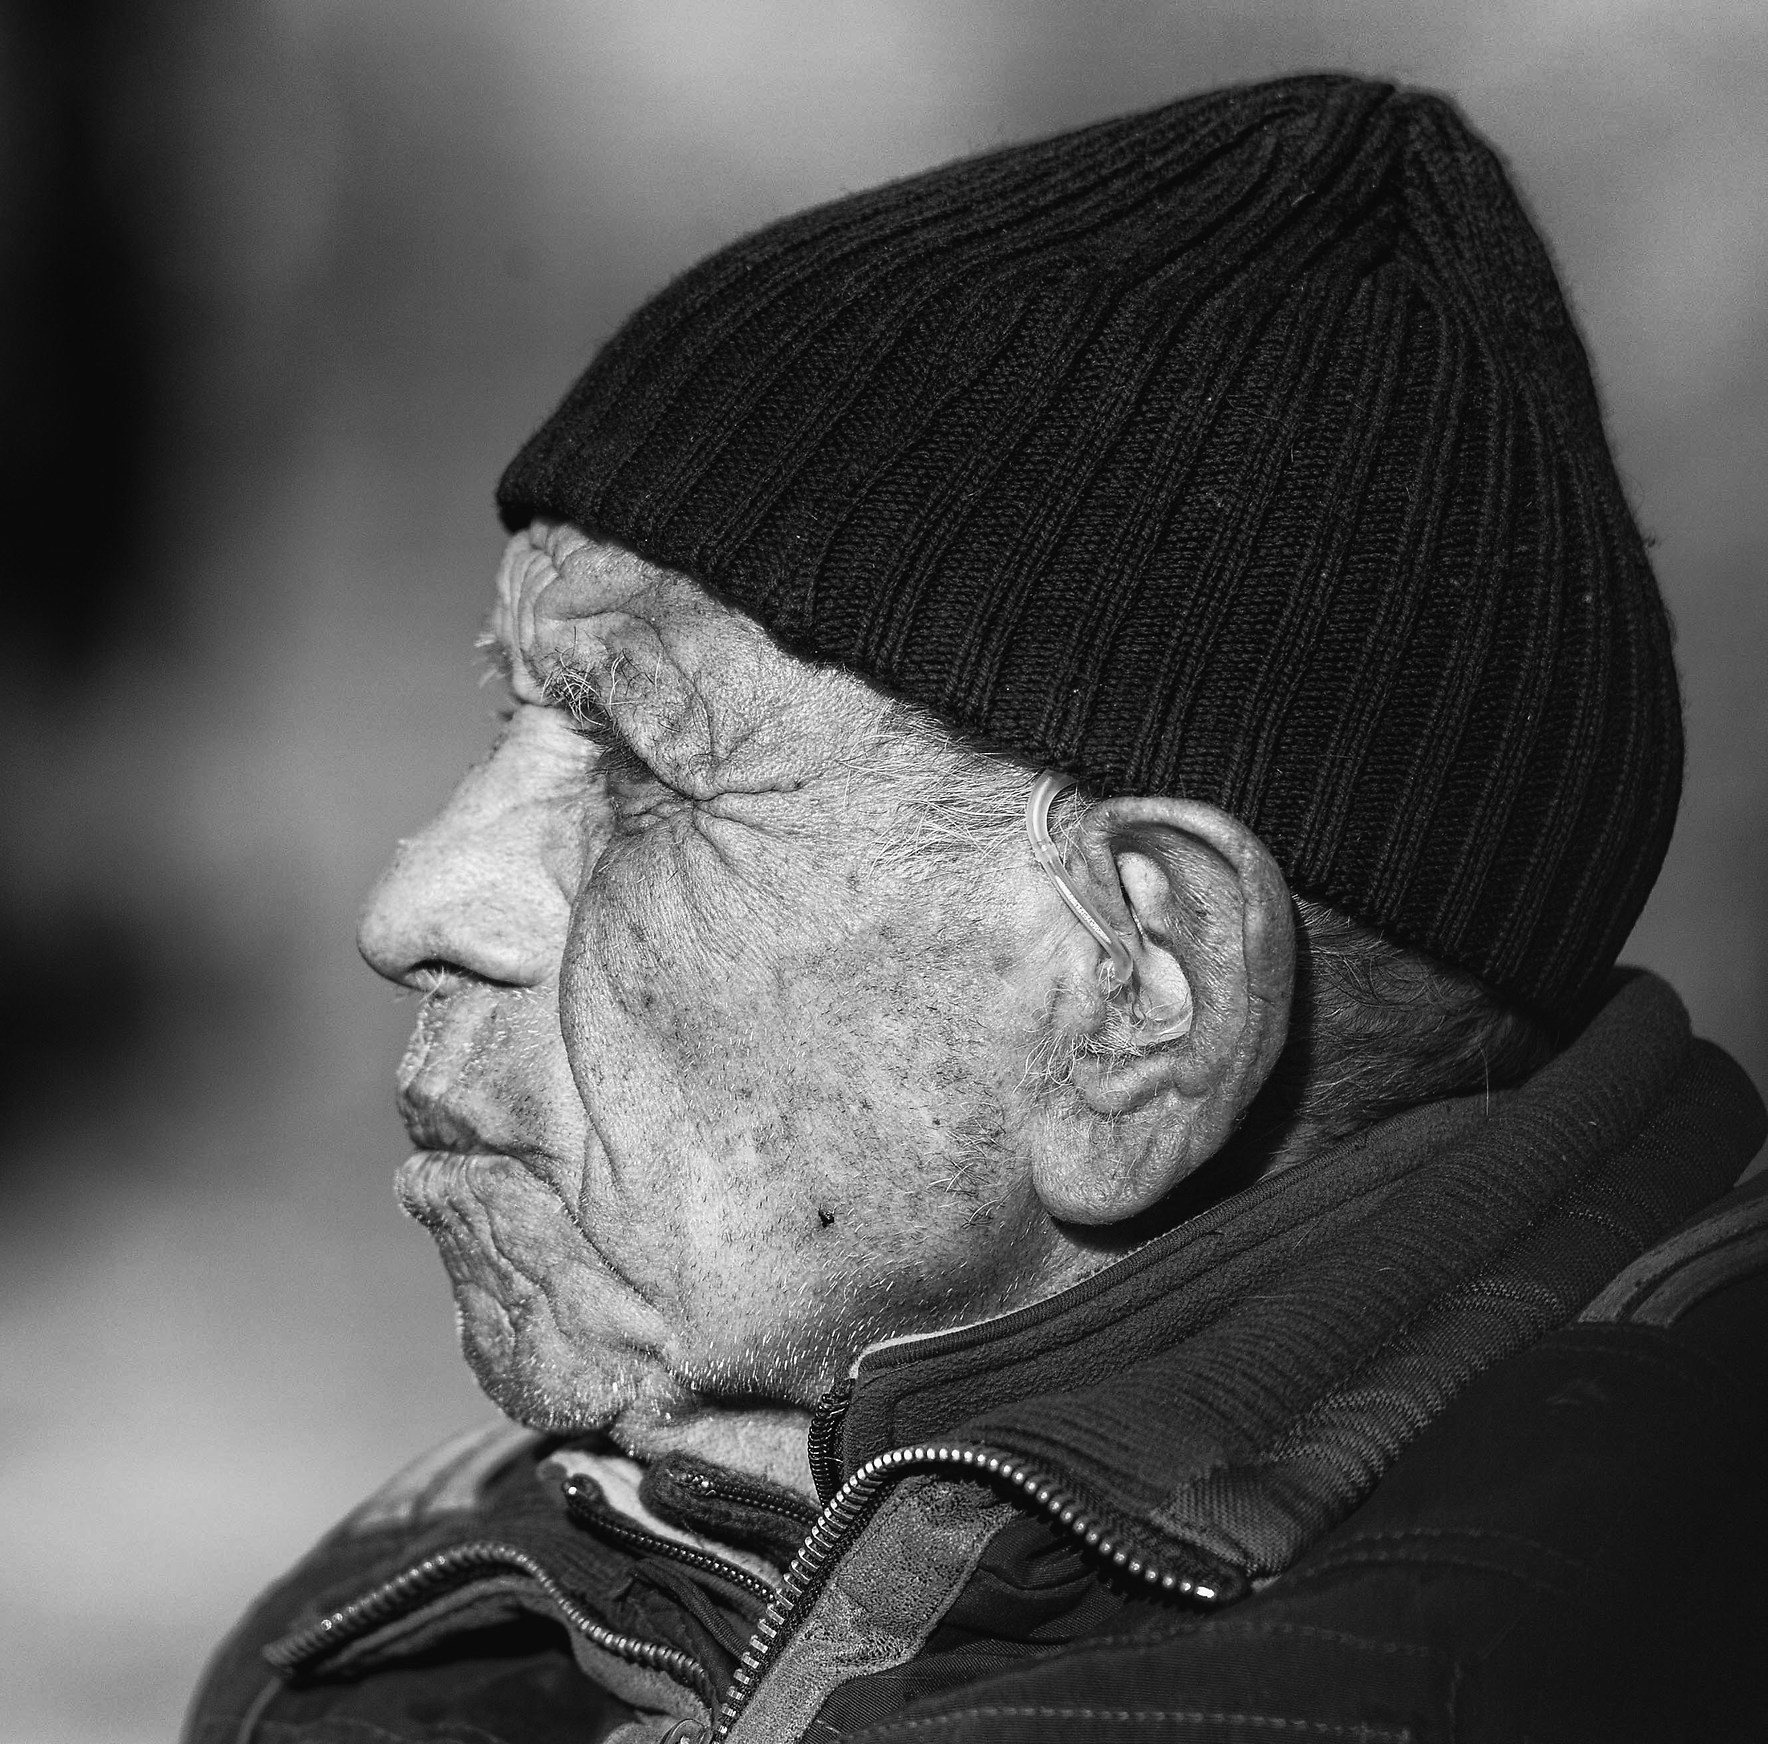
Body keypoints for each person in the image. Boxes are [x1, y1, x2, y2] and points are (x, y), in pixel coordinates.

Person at [189, 74, 1767, 1744]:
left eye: (639, 770)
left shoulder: (1556, 1669)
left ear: (1139, 987)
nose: (415, 901)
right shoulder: (415, 1638)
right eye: (512, 718)